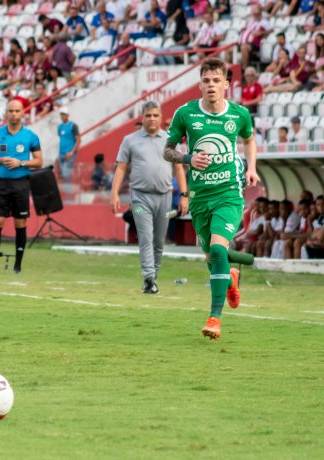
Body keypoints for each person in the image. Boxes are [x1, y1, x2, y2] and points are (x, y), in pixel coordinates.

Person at [163, 58, 260, 340]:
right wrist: (188, 157)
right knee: (210, 256)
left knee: (218, 250)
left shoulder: (240, 114)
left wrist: (251, 167)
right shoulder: (186, 114)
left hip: (228, 192)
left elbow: (249, 139)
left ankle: (214, 318)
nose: (211, 85)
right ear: (200, 84)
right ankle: (230, 276)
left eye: (217, 80)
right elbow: (167, 151)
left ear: (226, 85)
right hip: (199, 196)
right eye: (206, 81)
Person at [112, 102, 189, 294]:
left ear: (161, 117)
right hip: (140, 198)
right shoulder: (130, 140)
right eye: (148, 115)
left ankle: (153, 278)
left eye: (155, 115)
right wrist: (114, 193)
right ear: (142, 117)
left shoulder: (170, 139)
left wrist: (185, 196)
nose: (152, 119)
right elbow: (121, 167)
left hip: (164, 196)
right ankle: (148, 277)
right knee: (145, 236)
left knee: (159, 241)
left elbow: (179, 168)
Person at [0, 99, 44, 274]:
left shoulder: (31, 136)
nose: (14, 114)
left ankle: (18, 264)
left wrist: (21, 162)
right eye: (11, 111)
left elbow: (39, 162)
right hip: (1, 183)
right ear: (6, 113)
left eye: (17, 111)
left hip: (21, 184)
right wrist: (0, 159)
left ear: (23, 113)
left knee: (20, 222)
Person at [56, 107, 80, 184]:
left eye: (64, 114)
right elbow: (61, 138)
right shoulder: (60, 127)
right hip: (61, 153)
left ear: (67, 115)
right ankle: (66, 193)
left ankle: (69, 195)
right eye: (61, 115)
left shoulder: (73, 126)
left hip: (69, 154)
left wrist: (71, 152)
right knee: (62, 175)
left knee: (67, 174)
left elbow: (78, 140)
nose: (62, 116)